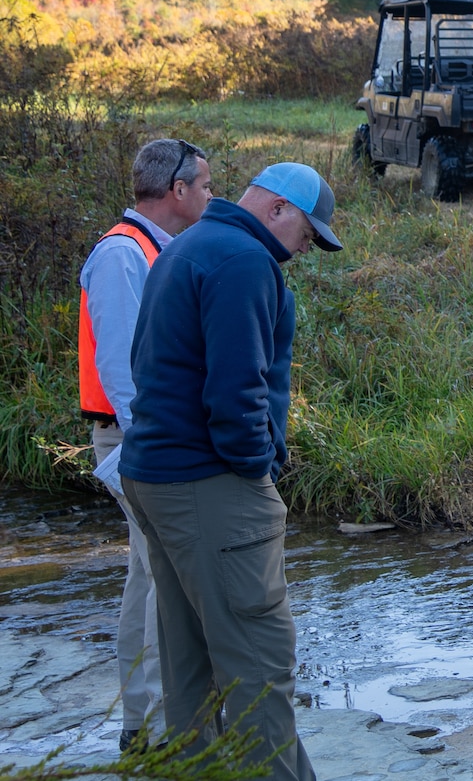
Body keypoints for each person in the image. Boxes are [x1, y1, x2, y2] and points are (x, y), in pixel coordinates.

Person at [120, 163, 342, 781]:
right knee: (258, 665)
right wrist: (256, 471)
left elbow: (149, 367)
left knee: (191, 670)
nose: (306, 249)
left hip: (156, 475)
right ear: (276, 209)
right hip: (211, 485)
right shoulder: (244, 261)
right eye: (307, 233)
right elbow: (237, 392)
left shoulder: (187, 244)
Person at [79, 137, 213, 750]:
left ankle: (146, 722)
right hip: (135, 438)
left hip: (142, 436)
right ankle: (162, 727)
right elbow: (120, 365)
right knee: (164, 577)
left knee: (147, 575)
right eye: (206, 185)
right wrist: (151, 444)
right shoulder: (121, 254)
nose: (212, 195)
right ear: (177, 191)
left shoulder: (153, 249)